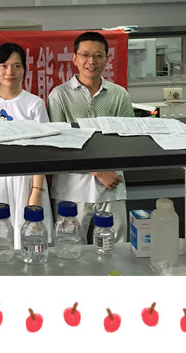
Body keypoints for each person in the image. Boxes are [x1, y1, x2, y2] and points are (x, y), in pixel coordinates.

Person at [47, 31, 134, 243]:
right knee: (69, 249)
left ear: (107, 59)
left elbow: (127, 138)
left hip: (112, 185)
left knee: (116, 246)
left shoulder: (119, 94)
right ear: (75, 58)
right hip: (71, 188)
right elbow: (59, 144)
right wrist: (98, 171)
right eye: (85, 55)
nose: (91, 61)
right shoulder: (59, 95)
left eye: (98, 56)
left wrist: (106, 171)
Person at [0, 42, 53, 248]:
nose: (10, 72)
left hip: (27, 181)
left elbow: (42, 150)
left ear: (24, 69)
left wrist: (36, 191)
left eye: (17, 66)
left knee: (28, 238)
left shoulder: (34, 103)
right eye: (4, 66)